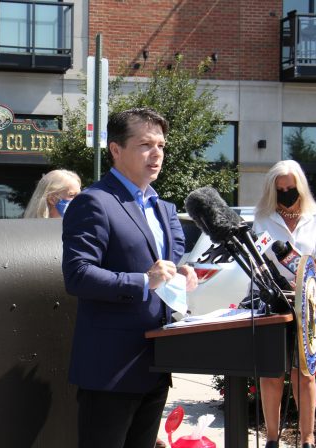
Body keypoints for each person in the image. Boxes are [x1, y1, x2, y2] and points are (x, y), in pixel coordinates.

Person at [61, 107, 198, 448]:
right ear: (116, 149)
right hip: (111, 370)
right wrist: (143, 281)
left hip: (155, 364)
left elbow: (162, 270)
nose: (157, 154)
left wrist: (179, 274)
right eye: (146, 145)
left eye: (162, 145)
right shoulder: (94, 203)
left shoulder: (163, 209)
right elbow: (78, 275)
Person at [254, 160, 316, 448]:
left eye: (291, 188)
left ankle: (307, 439)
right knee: (271, 373)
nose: (287, 193)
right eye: (281, 190)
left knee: (304, 374)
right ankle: (272, 439)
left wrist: (308, 274)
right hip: (273, 304)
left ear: (300, 186)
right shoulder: (263, 218)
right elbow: (257, 260)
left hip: (307, 304)